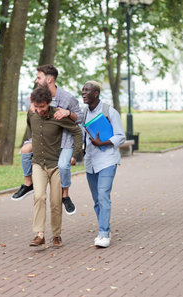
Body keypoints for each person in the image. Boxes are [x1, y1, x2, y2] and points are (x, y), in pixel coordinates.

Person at [12, 64, 82, 216]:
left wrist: (68, 112)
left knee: (63, 165)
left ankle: (65, 195)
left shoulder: (67, 98)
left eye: (39, 77)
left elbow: (81, 117)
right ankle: (28, 184)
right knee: (25, 150)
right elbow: (31, 121)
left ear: (49, 79)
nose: (36, 81)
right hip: (44, 138)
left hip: (64, 139)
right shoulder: (36, 96)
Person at [27, 87, 82, 248]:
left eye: (42, 107)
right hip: (38, 164)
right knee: (39, 197)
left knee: (56, 202)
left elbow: (77, 131)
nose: (39, 111)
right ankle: (40, 234)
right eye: (36, 107)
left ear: (49, 103)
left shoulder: (58, 116)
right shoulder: (31, 114)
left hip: (56, 165)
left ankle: (56, 234)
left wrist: (74, 154)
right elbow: (31, 129)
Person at [81, 81, 125, 248]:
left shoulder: (109, 111)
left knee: (103, 196)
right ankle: (105, 227)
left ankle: (103, 233)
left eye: (87, 91)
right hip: (91, 162)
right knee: (96, 200)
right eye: (83, 90)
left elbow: (121, 136)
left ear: (96, 93)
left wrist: (104, 142)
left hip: (107, 159)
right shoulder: (84, 114)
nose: (84, 93)